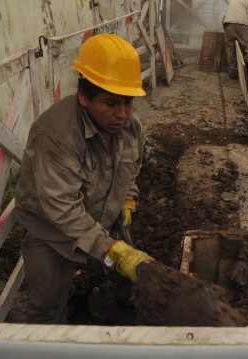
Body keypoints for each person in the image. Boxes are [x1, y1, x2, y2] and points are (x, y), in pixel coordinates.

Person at [15, 33, 154, 324]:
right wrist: (111, 250)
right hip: (51, 231)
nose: (122, 114)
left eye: (128, 102)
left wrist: (127, 200)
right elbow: (63, 209)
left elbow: (133, 169)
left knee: (131, 263)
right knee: (46, 309)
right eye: (111, 103)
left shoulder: (131, 128)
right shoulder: (56, 136)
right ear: (83, 96)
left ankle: (125, 305)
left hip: (104, 215)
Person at [223, 0, 248, 80]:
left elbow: (226, 13)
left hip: (228, 23)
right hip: (242, 23)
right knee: (247, 45)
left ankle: (233, 73)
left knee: (230, 49)